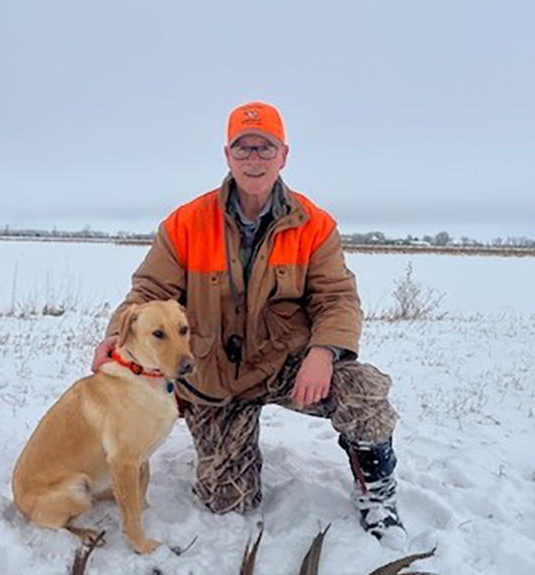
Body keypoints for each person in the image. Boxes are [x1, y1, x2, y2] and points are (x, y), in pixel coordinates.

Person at [91, 101, 404, 539]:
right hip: (212, 378)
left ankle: (377, 492)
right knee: (228, 501)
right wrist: (113, 336)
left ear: (284, 155)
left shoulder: (314, 225)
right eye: (244, 148)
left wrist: (323, 351)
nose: (254, 158)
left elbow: (337, 298)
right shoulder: (186, 223)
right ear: (227, 155)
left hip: (283, 365)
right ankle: (229, 447)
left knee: (364, 390)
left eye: (265, 148)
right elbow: (147, 293)